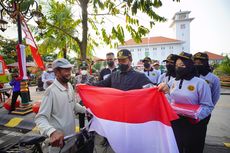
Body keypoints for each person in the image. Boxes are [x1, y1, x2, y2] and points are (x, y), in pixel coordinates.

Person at [35, 58, 86, 153]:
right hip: (58, 143)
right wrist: (52, 132)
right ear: (56, 72)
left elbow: (73, 104)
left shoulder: (70, 86)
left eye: (70, 69)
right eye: (65, 70)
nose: (69, 73)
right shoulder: (50, 91)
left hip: (71, 137)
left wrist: (86, 110)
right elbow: (40, 118)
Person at [168, 52, 214, 153]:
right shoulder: (172, 82)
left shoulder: (200, 83)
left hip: (194, 124)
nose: (178, 68)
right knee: (177, 147)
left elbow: (208, 106)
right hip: (176, 122)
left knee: (193, 148)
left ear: (190, 65)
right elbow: (168, 99)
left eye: (182, 65)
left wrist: (196, 116)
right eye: (176, 65)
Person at [74, 61, 95, 129]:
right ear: (79, 69)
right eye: (82, 68)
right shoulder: (76, 78)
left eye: (85, 68)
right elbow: (75, 89)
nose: (84, 70)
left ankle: (91, 132)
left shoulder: (92, 77)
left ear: (88, 69)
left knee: (90, 116)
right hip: (80, 100)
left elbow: (94, 88)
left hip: (89, 100)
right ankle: (82, 132)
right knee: (81, 116)